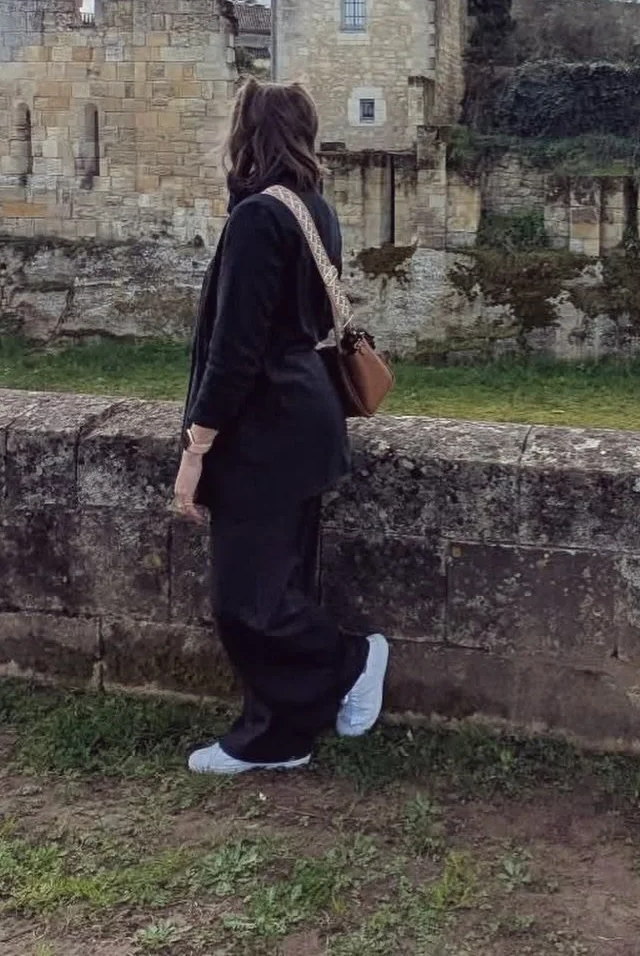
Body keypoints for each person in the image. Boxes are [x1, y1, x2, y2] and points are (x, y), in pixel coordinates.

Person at [173, 78, 388, 775]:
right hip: (301, 421)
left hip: (264, 433)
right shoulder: (312, 207)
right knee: (279, 586)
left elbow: (236, 350)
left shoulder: (258, 218)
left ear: (246, 134)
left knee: (246, 603)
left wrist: (197, 448)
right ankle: (282, 735)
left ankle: (352, 659)